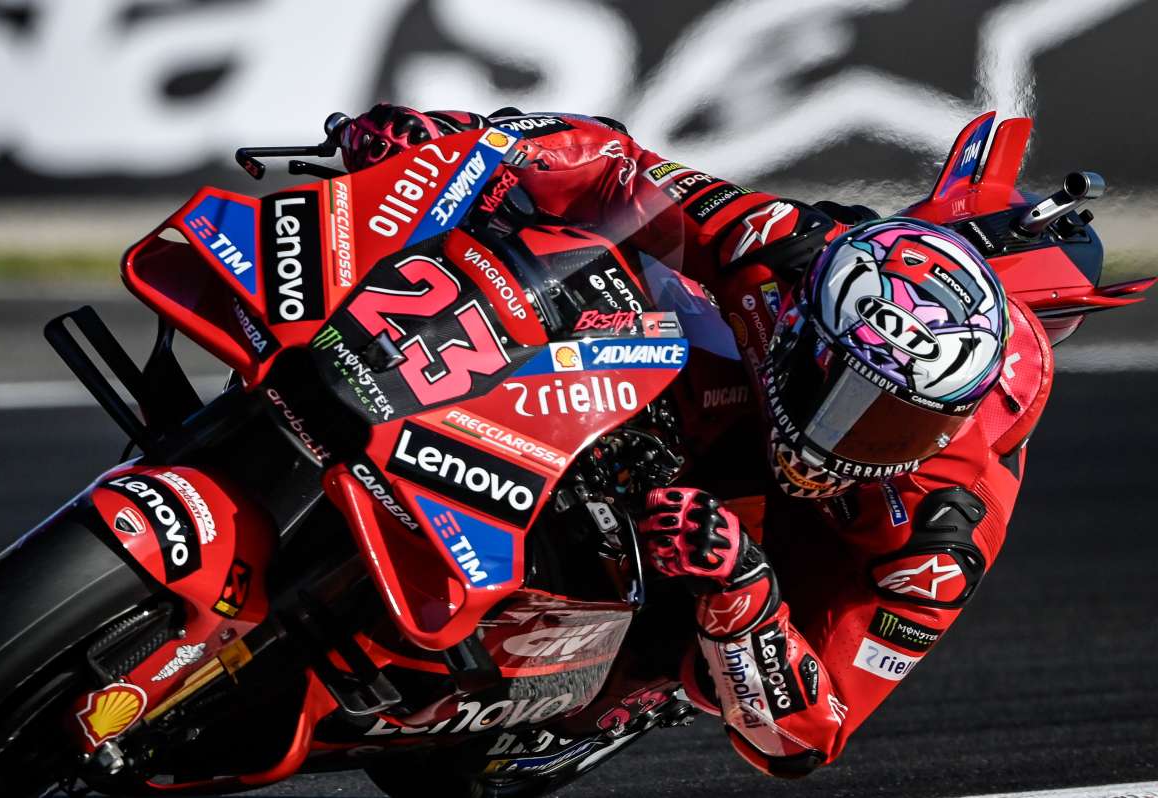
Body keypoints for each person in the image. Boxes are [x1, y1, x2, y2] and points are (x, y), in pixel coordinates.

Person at [339, 104, 1053, 776]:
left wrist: (742, 593)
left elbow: (808, 739)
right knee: (591, 253)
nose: (846, 440)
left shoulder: (942, 541)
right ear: (803, 326)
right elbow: (617, 166)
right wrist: (457, 145)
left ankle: (604, 686)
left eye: (898, 426)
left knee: (664, 659)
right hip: (714, 396)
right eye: (843, 394)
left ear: (954, 418)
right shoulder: (784, 246)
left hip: (782, 563)